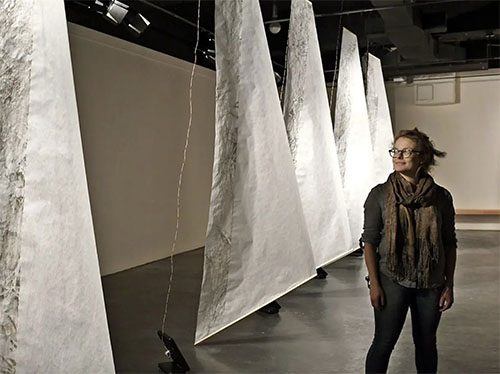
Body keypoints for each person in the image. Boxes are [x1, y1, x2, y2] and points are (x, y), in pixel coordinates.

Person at [362, 128, 457, 374]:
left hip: (431, 280)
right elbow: (369, 241)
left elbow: (449, 242)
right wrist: (374, 283)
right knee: (383, 343)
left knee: (427, 344)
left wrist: (449, 284)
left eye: (406, 151)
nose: (398, 156)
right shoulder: (379, 195)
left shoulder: (441, 197)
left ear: (422, 157)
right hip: (391, 278)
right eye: (395, 150)